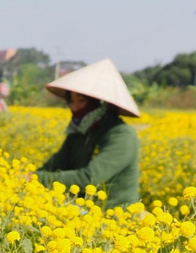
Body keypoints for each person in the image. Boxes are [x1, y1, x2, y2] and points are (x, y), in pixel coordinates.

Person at [33, 58, 141, 207]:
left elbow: (90, 178)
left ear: (102, 104)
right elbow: (55, 164)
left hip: (114, 217)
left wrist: (37, 179)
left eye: (81, 101)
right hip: (80, 208)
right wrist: (29, 180)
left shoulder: (122, 136)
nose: (75, 108)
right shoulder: (79, 132)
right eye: (71, 101)